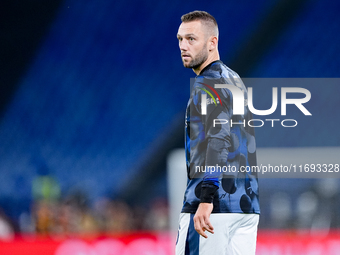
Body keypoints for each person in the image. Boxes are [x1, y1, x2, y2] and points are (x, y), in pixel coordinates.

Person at [175, 11, 260, 255]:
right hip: (246, 208)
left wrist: (206, 198)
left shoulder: (206, 84)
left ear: (213, 43)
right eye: (180, 39)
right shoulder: (233, 78)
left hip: (213, 209)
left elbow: (219, 140)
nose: (183, 46)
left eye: (191, 39)